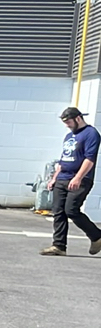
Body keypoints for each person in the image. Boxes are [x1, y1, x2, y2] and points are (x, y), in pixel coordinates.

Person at [42, 107, 101, 256]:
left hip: (79, 179)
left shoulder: (91, 134)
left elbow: (90, 159)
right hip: (62, 178)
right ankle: (59, 246)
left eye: (69, 121)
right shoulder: (69, 136)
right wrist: (54, 178)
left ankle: (97, 236)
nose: (67, 125)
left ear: (78, 118)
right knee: (58, 212)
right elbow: (63, 159)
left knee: (71, 210)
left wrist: (78, 177)